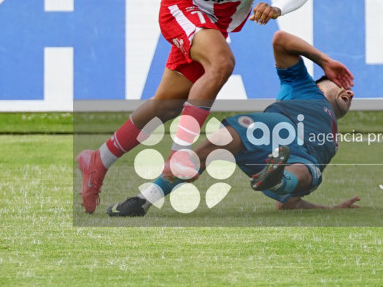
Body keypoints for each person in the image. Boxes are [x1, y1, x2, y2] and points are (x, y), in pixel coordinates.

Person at [61, 0, 315, 213]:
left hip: (212, 28)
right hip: (181, 11)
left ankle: (98, 159)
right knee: (222, 62)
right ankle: (180, 152)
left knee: (165, 107)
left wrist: (278, 7)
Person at [105, 30, 360, 216]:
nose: (349, 92)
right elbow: (281, 40)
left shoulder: (332, 142)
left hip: (297, 163)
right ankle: (142, 200)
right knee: (217, 143)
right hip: (275, 131)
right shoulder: (301, 87)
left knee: (305, 175)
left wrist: (331, 209)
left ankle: (277, 178)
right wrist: (325, 61)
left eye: (350, 92)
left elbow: (289, 204)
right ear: (320, 83)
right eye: (340, 87)